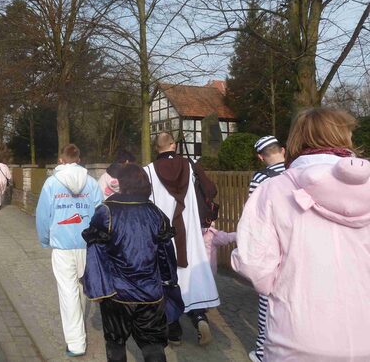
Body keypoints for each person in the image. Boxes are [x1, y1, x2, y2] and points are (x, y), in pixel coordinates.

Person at [232, 107, 370, 361]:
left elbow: (254, 265)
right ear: (345, 136)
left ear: (296, 140)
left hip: (296, 338)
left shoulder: (272, 190)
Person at [83, 163, 181, 362]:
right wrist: (169, 282)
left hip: (116, 295)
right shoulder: (155, 213)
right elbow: (165, 254)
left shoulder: (106, 211)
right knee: (153, 345)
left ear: (121, 183)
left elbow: (96, 253)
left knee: (116, 343)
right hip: (150, 294)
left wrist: (98, 290)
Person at [144, 132, 220, 346]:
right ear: (174, 146)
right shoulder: (191, 165)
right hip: (191, 232)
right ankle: (198, 317)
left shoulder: (148, 171)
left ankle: (174, 330)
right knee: (192, 274)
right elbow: (211, 190)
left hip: (164, 236)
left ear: (156, 148)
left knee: (168, 278)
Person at [36, 144, 103, 357]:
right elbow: (101, 214)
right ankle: (81, 330)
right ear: (79, 158)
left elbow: (43, 216)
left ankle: (76, 343)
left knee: (68, 292)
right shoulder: (91, 183)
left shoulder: (51, 184)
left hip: (63, 246)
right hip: (88, 245)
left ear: (61, 159)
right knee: (83, 289)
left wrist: (46, 240)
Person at [247, 135, 286, 362]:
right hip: (296, 243)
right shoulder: (296, 173)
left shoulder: (260, 178)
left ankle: (263, 352)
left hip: (271, 246)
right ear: (283, 150)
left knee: (266, 299)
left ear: (260, 156)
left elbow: (254, 216)